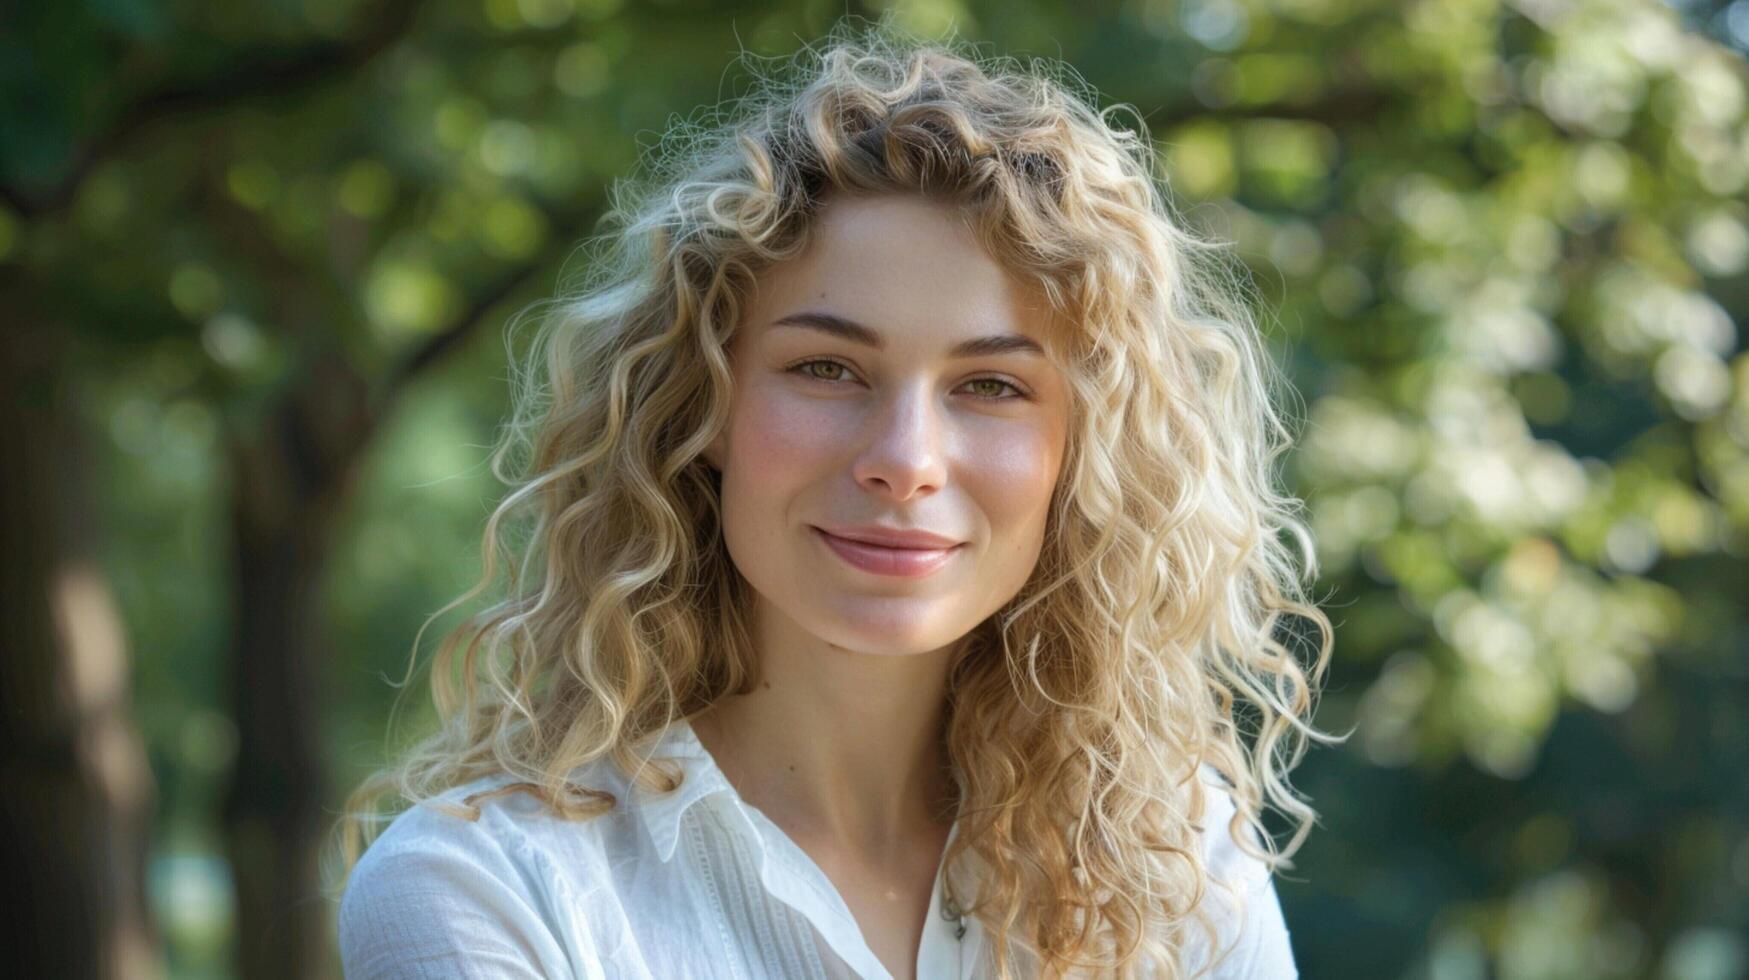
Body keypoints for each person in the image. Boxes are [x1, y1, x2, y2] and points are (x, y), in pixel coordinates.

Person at [333, 18, 1340, 980]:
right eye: (827, 368)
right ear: (704, 405)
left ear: (1082, 448)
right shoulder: (487, 890)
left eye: (990, 385)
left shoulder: (1180, 867)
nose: (905, 460)